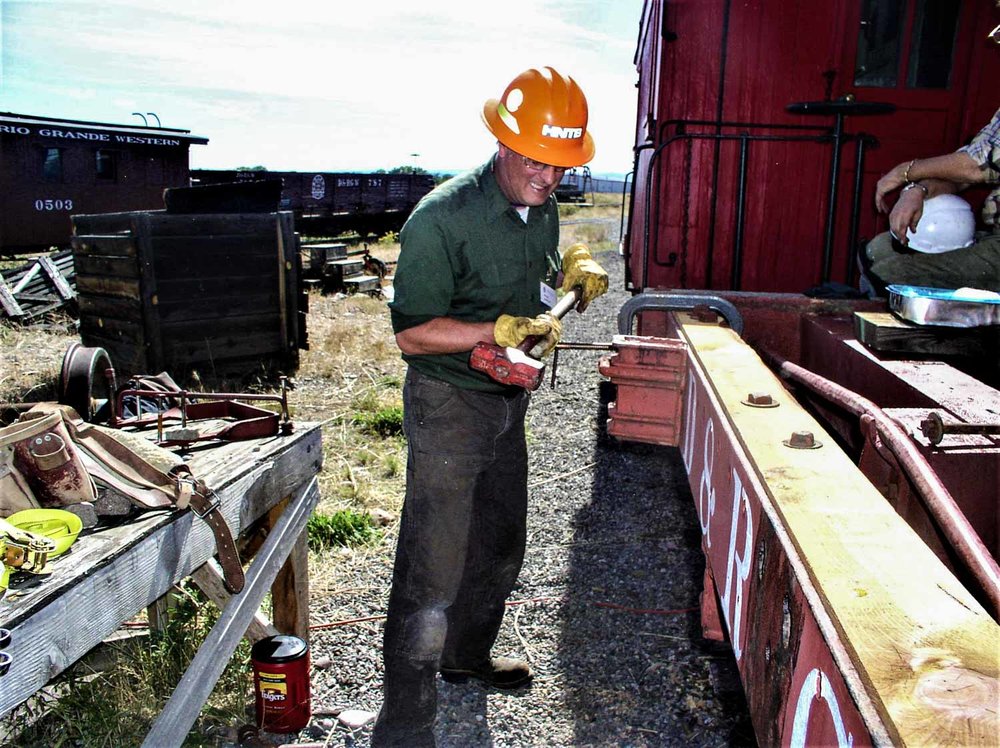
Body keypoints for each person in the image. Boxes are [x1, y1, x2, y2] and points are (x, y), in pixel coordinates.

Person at [371, 66, 609, 747]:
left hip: (507, 403)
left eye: (560, 164)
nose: (547, 177)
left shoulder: (543, 202)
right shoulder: (440, 221)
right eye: (535, 158)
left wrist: (567, 277)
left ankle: (464, 661)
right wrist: (490, 332)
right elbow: (412, 333)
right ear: (503, 142)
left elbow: (532, 279)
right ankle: (405, 726)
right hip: (449, 402)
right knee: (432, 568)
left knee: (501, 544)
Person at [863, 104, 1000, 294]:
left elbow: (980, 165)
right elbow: (962, 172)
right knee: (877, 249)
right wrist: (918, 189)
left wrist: (904, 172)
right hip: (993, 237)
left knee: (890, 274)